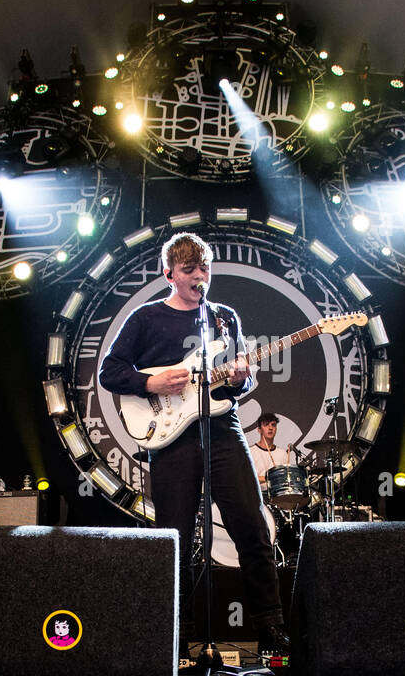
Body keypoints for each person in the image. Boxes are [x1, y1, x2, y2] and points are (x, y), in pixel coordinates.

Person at [99, 233, 288, 653]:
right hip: (172, 438)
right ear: (169, 274)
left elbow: (243, 376)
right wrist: (150, 381)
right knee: (175, 538)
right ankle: (176, 638)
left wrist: (243, 378)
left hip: (223, 429)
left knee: (253, 528)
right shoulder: (146, 318)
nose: (200, 277)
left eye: (204, 269)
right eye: (189, 270)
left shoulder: (223, 318)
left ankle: (272, 630)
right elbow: (109, 372)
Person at [249, 411, 291, 487]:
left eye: (273, 425)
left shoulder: (282, 454)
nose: (270, 428)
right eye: (266, 425)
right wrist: (270, 477)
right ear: (259, 430)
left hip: (277, 496)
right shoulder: (250, 452)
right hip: (258, 495)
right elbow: (246, 477)